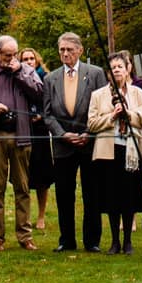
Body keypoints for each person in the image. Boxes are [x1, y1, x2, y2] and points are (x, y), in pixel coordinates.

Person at [42, 32, 107, 252]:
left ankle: (92, 241)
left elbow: (103, 106)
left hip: (89, 143)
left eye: (69, 49)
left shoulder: (95, 74)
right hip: (63, 145)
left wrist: (89, 132)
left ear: (79, 50)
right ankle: (66, 240)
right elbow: (47, 114)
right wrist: (62, 134)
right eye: (62, 50)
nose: (65, 53)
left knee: (92, 193)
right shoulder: (51, 79)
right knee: (64, 194)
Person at [0, 35, 44, 251]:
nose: (12, 58)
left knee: (22, 187)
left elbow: (40, 94)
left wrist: (20, 72)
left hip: (21, 134)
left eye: (15, 54)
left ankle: (25, 235)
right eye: (7, 55)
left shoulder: (26, 70)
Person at [88, 51, 142, 255]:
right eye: (112, 68)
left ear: (127, 69)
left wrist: (128, 114)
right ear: (108, 73)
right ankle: (114, 241)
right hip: (108, 151)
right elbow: (91, 123)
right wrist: (112, 117)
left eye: (119, 67)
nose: (116, 71)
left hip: (130, 151)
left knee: (128, 197)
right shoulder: (98, 95)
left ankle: (128, 241)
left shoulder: (137, 93)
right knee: (112, 197)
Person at [19, 47, 56, 233]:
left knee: (42, 177)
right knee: (24, 176)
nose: (28, 62)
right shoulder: (17, 78)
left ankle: (41, 215)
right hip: (23, 130)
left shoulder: (45, 78)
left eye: (31, 58)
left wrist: (41, 115)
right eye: (25, 59)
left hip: (40, 131)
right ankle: (24, 216)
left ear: (37, 60)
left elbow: (51, 103)